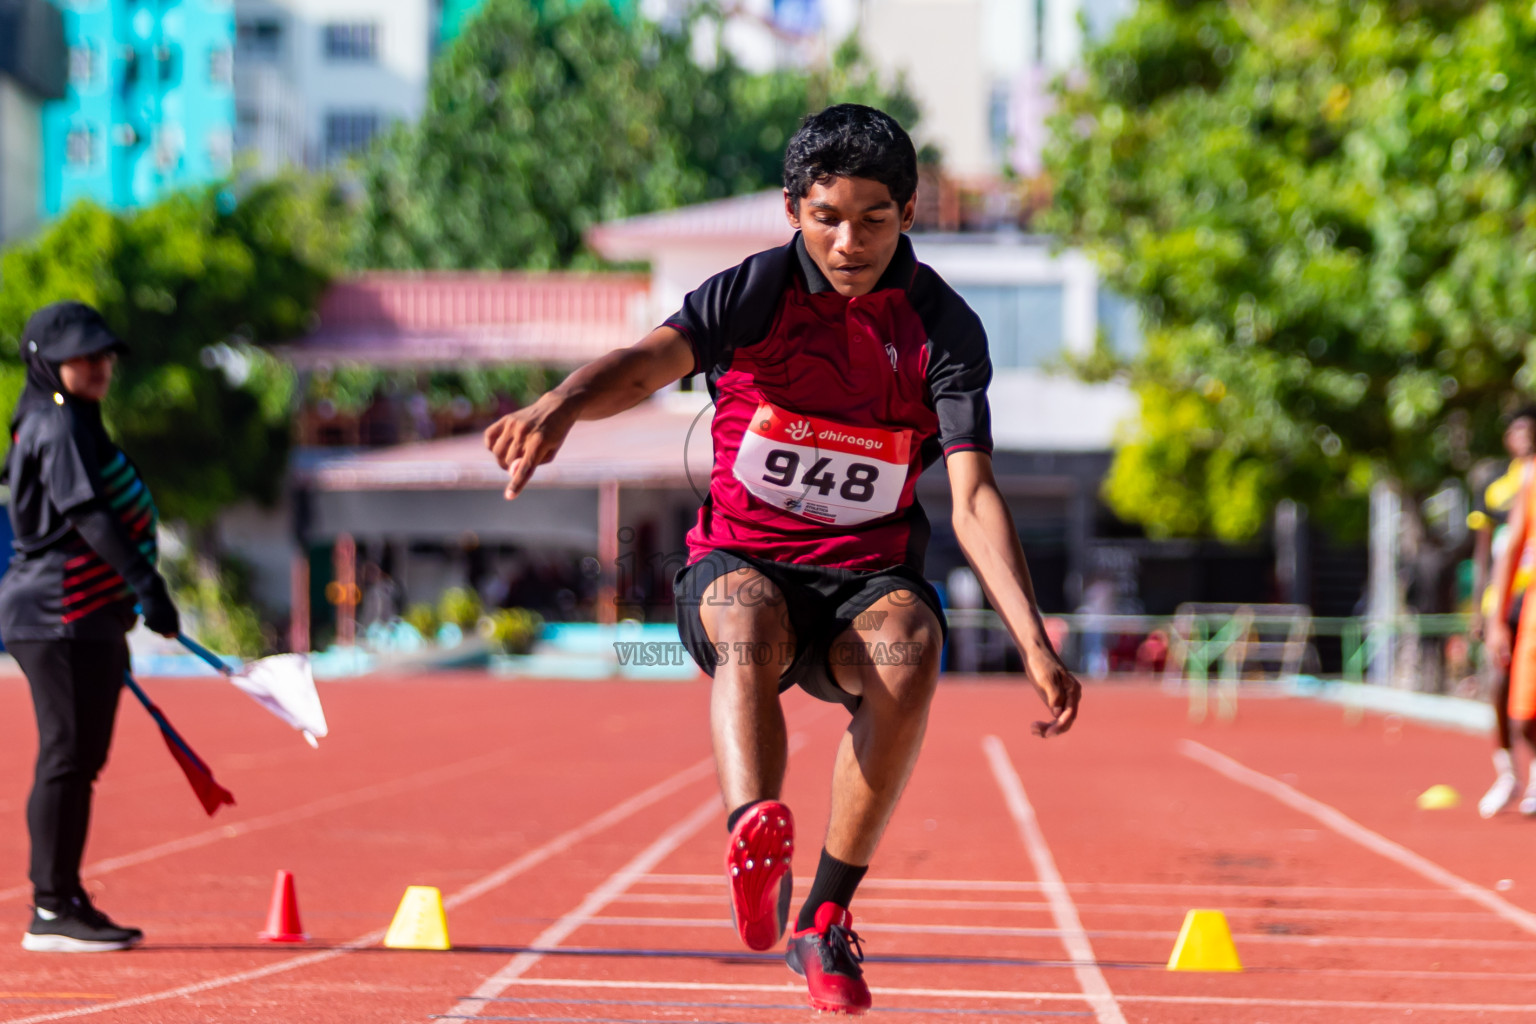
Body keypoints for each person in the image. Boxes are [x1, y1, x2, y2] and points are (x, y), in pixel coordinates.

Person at [484, 105, 1080, 1014]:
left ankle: (824, 916)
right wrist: (562, 404)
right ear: (793, 208)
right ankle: (753, 831)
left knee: (910, 643)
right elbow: (646, 364)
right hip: (738, 563)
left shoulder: (944, 330)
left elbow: (971, 494)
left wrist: (1032, 639)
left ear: (909, 213)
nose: (849, 242)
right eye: (827, 217)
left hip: (864, 584)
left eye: (874, 219)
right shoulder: (757, 291)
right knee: (752, 619)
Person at [0, 303, 180, 952]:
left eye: (104, 354)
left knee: (80, 758)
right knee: (67, 755)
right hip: (56, 615)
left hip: (83, 616)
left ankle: (65, 898)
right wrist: (146, 583)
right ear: (47, 362)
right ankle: (50, 908)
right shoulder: (55, 423)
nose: (100, 365)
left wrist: (122, 603)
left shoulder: (70, 418)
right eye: (84, 355)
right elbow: (87, 517)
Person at [1469, 407, 1536, 816]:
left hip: (1529, 596)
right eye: (1516, 429)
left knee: (1529, 706)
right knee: (1501, 684)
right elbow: (1491, 551)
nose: (1523, 435)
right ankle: (1507, 772)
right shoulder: (1498, 486)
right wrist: (1485, 611)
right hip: (1509, 600)